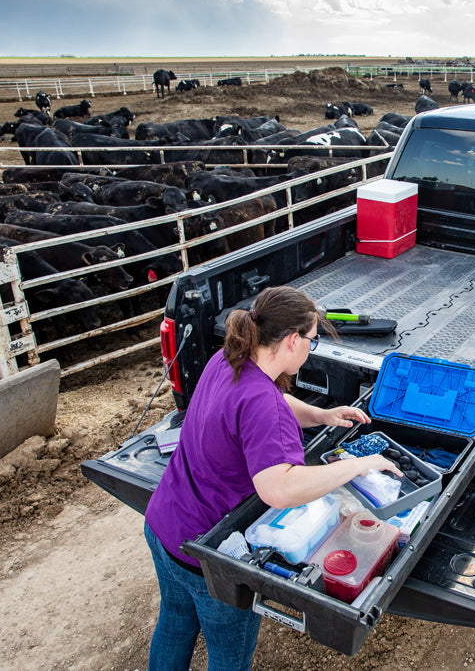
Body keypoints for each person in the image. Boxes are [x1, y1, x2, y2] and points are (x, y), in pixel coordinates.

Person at [143, 285, 400, 671]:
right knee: (228, 653)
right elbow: (279, 489)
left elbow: (272, 400)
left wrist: (322, 415)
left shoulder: (228, 358)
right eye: (312, 341)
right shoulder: (262, 404)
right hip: (204, 554)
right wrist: (357, 466)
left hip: (163, 522)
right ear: (293, 340)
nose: (310, 350)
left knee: (175, 623)